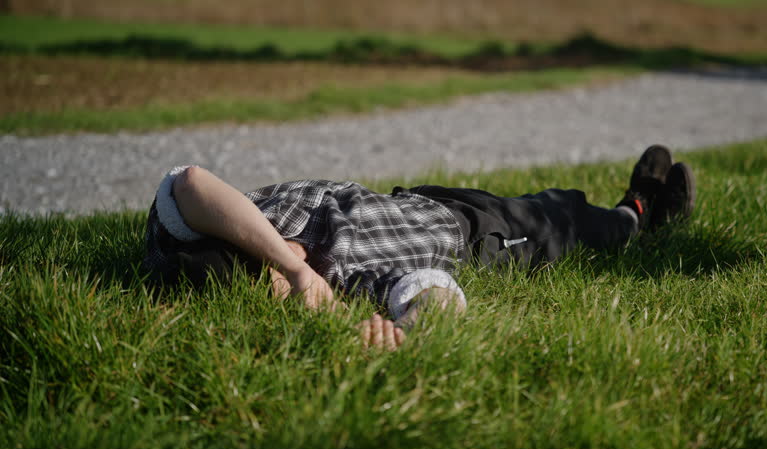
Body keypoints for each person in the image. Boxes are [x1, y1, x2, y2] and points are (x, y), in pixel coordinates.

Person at [141, 145, 695, 351]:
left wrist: (290, 264)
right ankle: (641, 213)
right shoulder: (344, 280)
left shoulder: (263, 220)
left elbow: (189, 183)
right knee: (568, 215)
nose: (291, 280)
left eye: (272, 273)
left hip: (428, 198)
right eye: (278, 290)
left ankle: (636, 208)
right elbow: (433, 290)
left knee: (551, 198)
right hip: (482, 237)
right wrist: (406, 333)